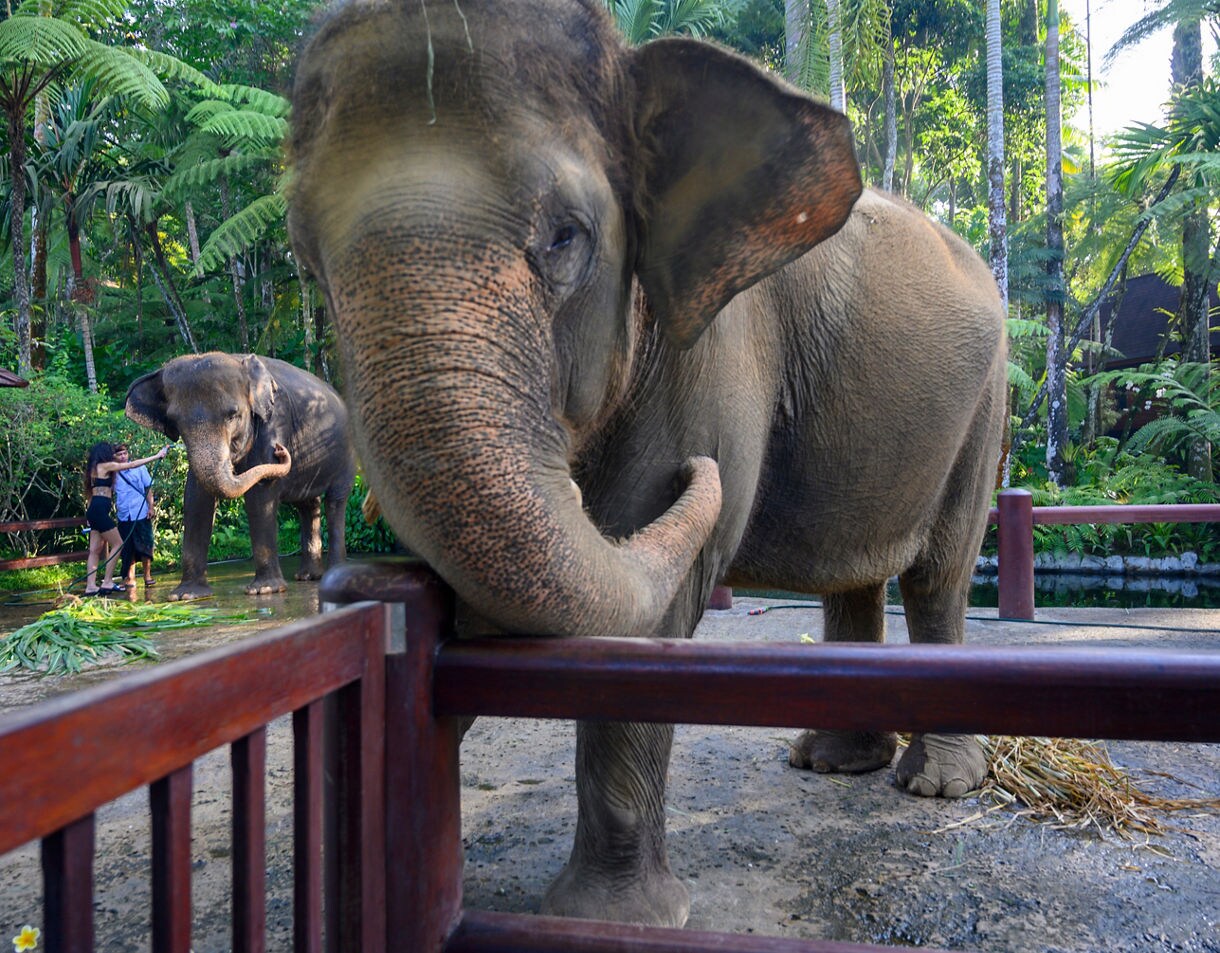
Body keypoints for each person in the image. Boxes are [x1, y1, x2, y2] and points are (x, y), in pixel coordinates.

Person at [83, 441, 169, 597]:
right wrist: (157, 456)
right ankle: (107, 581)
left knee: (94, 550)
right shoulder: (105, 466)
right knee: (118, 543)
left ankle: (90, 586)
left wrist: (89, 514)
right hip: (100, 510)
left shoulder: (93, 469)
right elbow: (132, 464)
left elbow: (90, 494)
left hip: (94, 510)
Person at [112, 443, 157, 589]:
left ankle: (147, 575)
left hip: (140, 511)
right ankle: (130, 577)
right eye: (119, 454)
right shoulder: (113, 472)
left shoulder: (139, 468)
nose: (123, 457)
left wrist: (151, 507)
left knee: (145, 544)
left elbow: (148, 488)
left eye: (124, 453)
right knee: (128, 547)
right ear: (114, 457)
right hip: (124, 514)